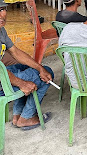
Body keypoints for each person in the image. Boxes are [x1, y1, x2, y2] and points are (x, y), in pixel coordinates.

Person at [0, 0, 54, 130]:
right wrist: (21, 83)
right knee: (48, 74)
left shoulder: (1, 30)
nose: (2, 15)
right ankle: (27, 117)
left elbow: (15, 52)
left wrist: (39, 68)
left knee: (38, 70)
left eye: (2, 9)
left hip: (2, 75)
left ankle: (17, 115)